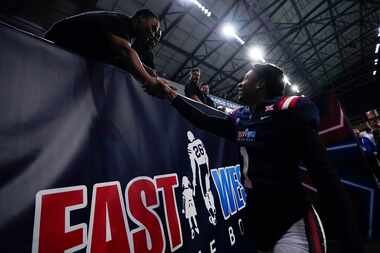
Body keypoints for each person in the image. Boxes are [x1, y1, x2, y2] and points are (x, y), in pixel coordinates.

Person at [148, 63, 364, 253]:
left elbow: (324, 175)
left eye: (246, 78)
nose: (240, 83)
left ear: (260, 84)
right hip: (257, 218)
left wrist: (348, 234)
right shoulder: (241, 118)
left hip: (289, 220)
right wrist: (171, 95)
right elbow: (204, 120)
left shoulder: (288, 112)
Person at [45, 9, 167, 97]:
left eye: (155, 32)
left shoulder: (127, 34)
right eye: (153, 27)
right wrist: (149, 80)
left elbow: (124, 57)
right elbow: (126, 52)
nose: (152, 34)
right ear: (140, 19)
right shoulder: (120, 22)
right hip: (49, 48)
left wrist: (148, 71)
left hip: (62, 55)